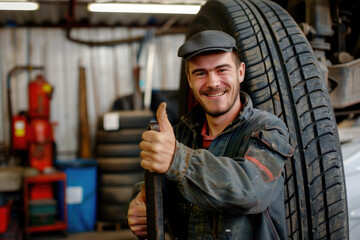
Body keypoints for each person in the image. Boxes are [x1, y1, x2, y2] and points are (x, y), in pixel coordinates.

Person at [127, 30, 294, 239]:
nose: (213, 82)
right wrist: (141, 205)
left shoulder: (267, 129)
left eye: (222, 70)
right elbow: (160, 191)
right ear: (188, 79)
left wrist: (177, 159)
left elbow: (249, 190)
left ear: (240, 72)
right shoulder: (181, 134)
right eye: (200, 73)